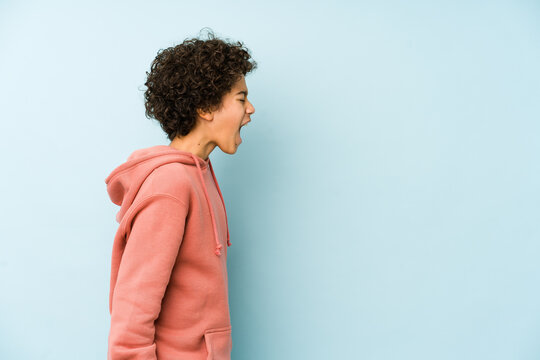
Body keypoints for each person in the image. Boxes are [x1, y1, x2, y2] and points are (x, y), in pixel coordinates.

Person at [104, 28, 257, 360]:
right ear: (205, 107)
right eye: (242, 99)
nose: (251, 109)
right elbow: (132, 313)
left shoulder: (197, 174)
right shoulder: (171, 184)